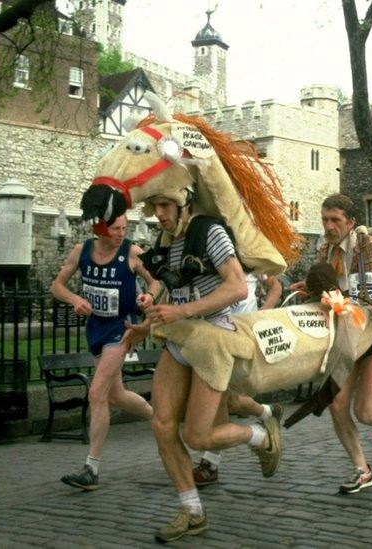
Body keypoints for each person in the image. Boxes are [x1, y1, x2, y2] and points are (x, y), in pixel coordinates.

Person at [121, 191, 282, 543]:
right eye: (154, 207)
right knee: (162, 425)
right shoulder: (167, 238)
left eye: (165, 206)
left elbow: (238, 287)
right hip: (181, 338)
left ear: (185, 202)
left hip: (213, 340)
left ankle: (260, 435)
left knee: (197, 436)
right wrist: (152, 308)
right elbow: (173, 290)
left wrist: (179, 311)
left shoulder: (209, 230)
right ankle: (191, 510)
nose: (158, 214)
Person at [291, 193, 372, 495]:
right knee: (338, 406)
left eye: (335, 220)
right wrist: (310, 290)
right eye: (325, 219)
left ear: (351, 222)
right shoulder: (324, 251)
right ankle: (362, 470)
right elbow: (333, 292)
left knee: (366, 411)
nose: (328, 226)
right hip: (346, 334)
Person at [52, 214, 160, 491]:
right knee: (116, 395)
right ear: (100, 228)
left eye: (124, 228)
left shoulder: (132, 253)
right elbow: (57, 286)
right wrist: (75, 299)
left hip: (121, 330)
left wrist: (149, 296)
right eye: (115, 229)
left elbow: (156, 282)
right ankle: (159, 418)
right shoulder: (82, 251)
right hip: (96, 329)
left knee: (97, 392)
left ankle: (92, 468)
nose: (121, 234)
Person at [191, 271, 285, 487]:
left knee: (222, 398)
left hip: (239, 338)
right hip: (216, 336)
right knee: (228, 400)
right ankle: (269, 412)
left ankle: (212, 463)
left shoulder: (248, 260)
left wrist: (261, 314)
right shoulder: (212, 264)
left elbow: (276, 286)